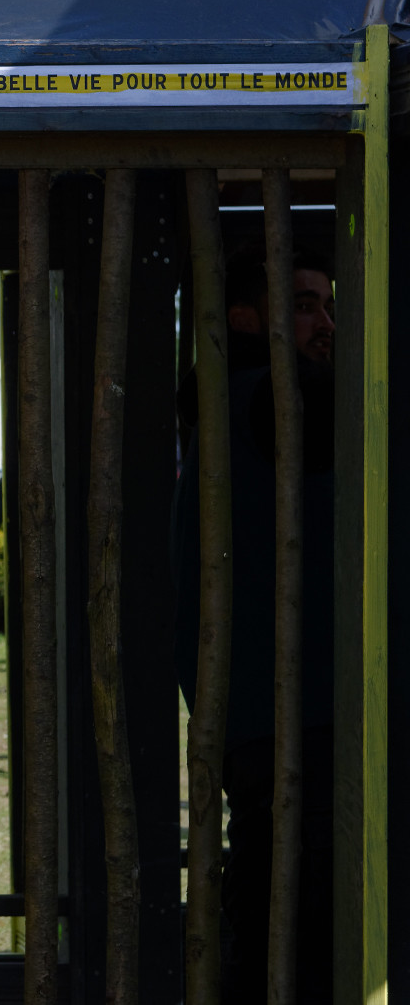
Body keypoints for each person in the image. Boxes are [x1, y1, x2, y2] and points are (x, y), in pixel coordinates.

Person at [172, 247, 335, 1004]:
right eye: (306, 305)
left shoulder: (224, 404)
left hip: (264, 701)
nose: (326, 323)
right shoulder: (263, 397)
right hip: (278, 705)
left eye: (328, 305)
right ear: (246, 318)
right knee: (283, 889)